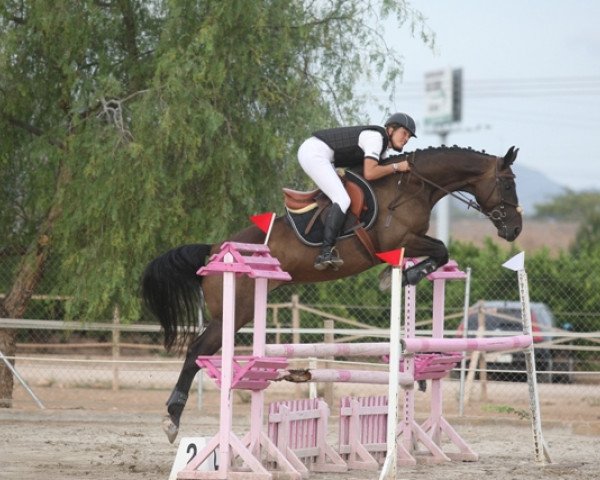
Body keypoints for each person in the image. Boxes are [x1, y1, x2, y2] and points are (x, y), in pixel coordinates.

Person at [298, 112, 417, 271]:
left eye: (409, 136)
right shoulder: (375, 138)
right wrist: (397, 167)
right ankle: (325, 252)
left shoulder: (382, 150)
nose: (406, 139)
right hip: (314, 153)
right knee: (342, 199)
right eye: (404, 133)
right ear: (390, 130)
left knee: (343, 195)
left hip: (326, 157)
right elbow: (370, 173)